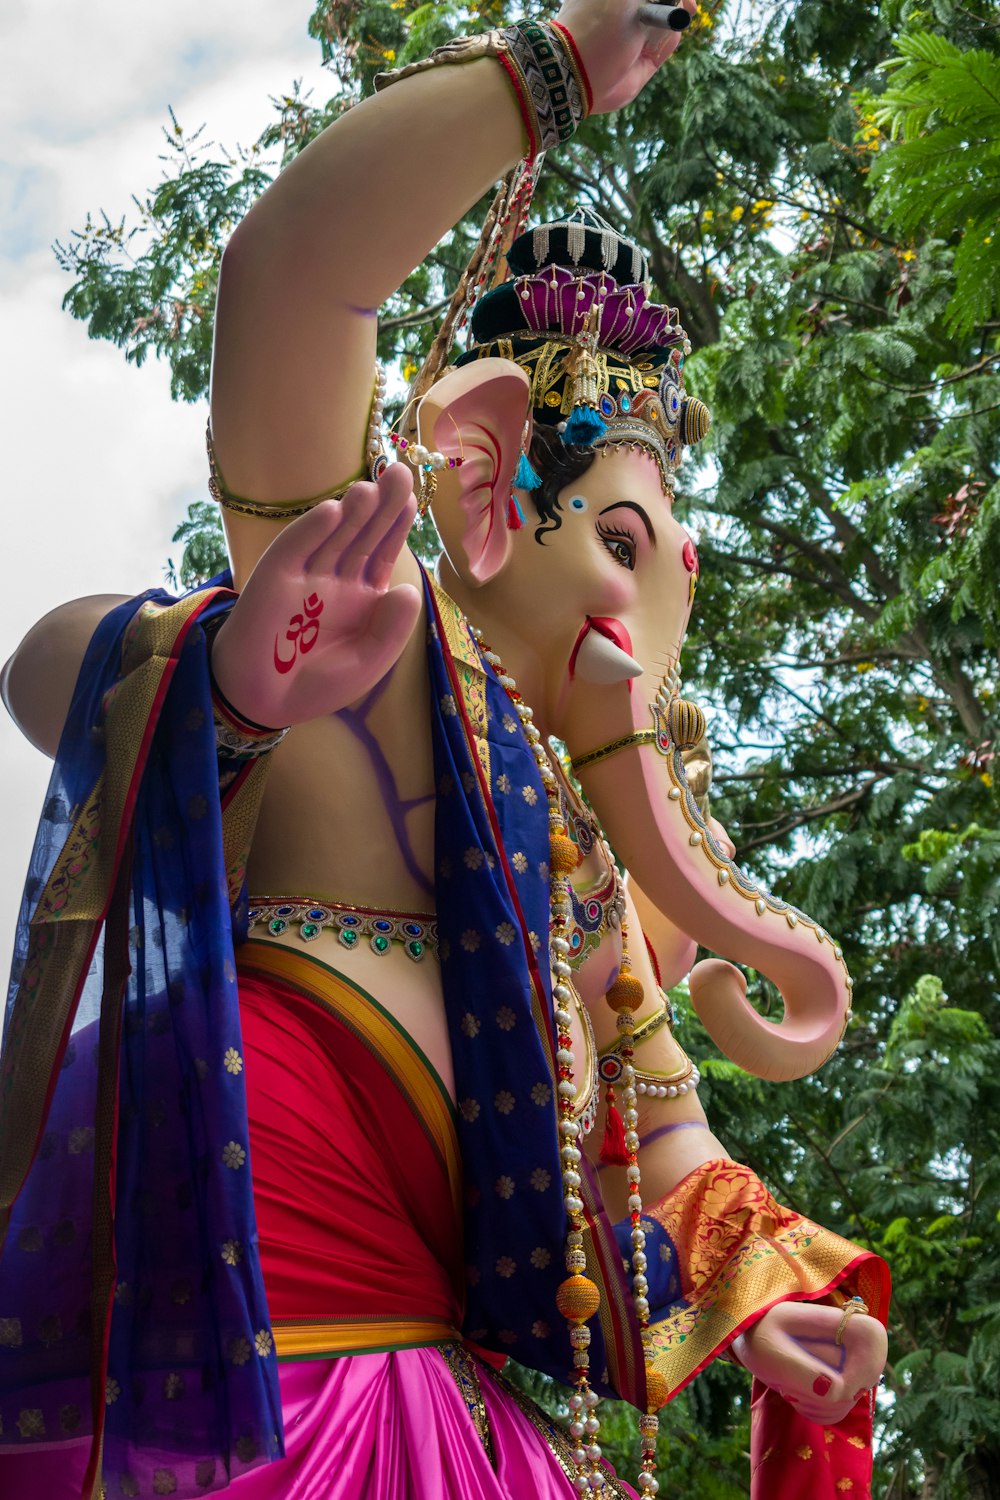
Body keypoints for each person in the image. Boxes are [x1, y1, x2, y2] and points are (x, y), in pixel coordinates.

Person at [0, 4, 889, 1496]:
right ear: (479, 485)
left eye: (666, 575)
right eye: (616, 543)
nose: (642, 628)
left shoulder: (588, 876)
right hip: (266, 1362)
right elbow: (290, 283)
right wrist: (549, 76)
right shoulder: (386, 656)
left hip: (473, 1412)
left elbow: (668, 1148)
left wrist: (771, 1309)